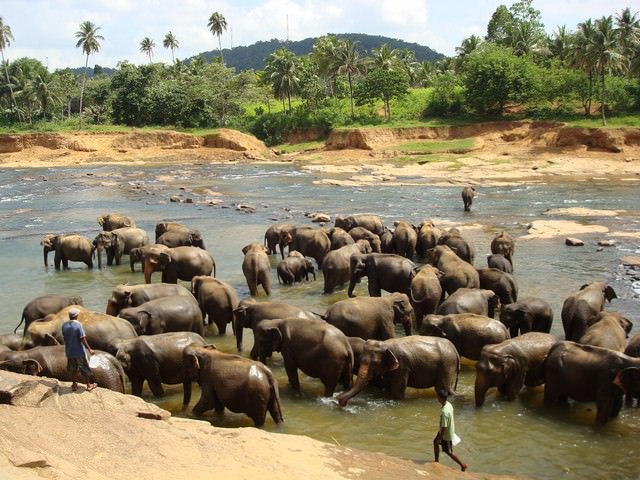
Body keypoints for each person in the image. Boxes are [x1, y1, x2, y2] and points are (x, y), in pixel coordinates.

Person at [62, 307, 96, 392]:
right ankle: (88, 385)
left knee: (72, 368)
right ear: (76, 316)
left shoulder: (64, 325)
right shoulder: (78, 325)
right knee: (84, 368)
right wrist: (89, 349)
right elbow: (82, 338)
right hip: (79, 351)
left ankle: (74, 384)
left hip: (69, 351)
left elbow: (64, 338)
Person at [433, 389, 467, 472]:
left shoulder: (444, 412)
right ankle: (436, 460)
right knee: (435, 443)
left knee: (449, 451)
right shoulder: (448, 404)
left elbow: (444, 426)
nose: (437, 398)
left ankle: (463, 465)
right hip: (447, 430)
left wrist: (440, 438)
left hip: (445, 434)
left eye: (438, 397)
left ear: (440, 398)